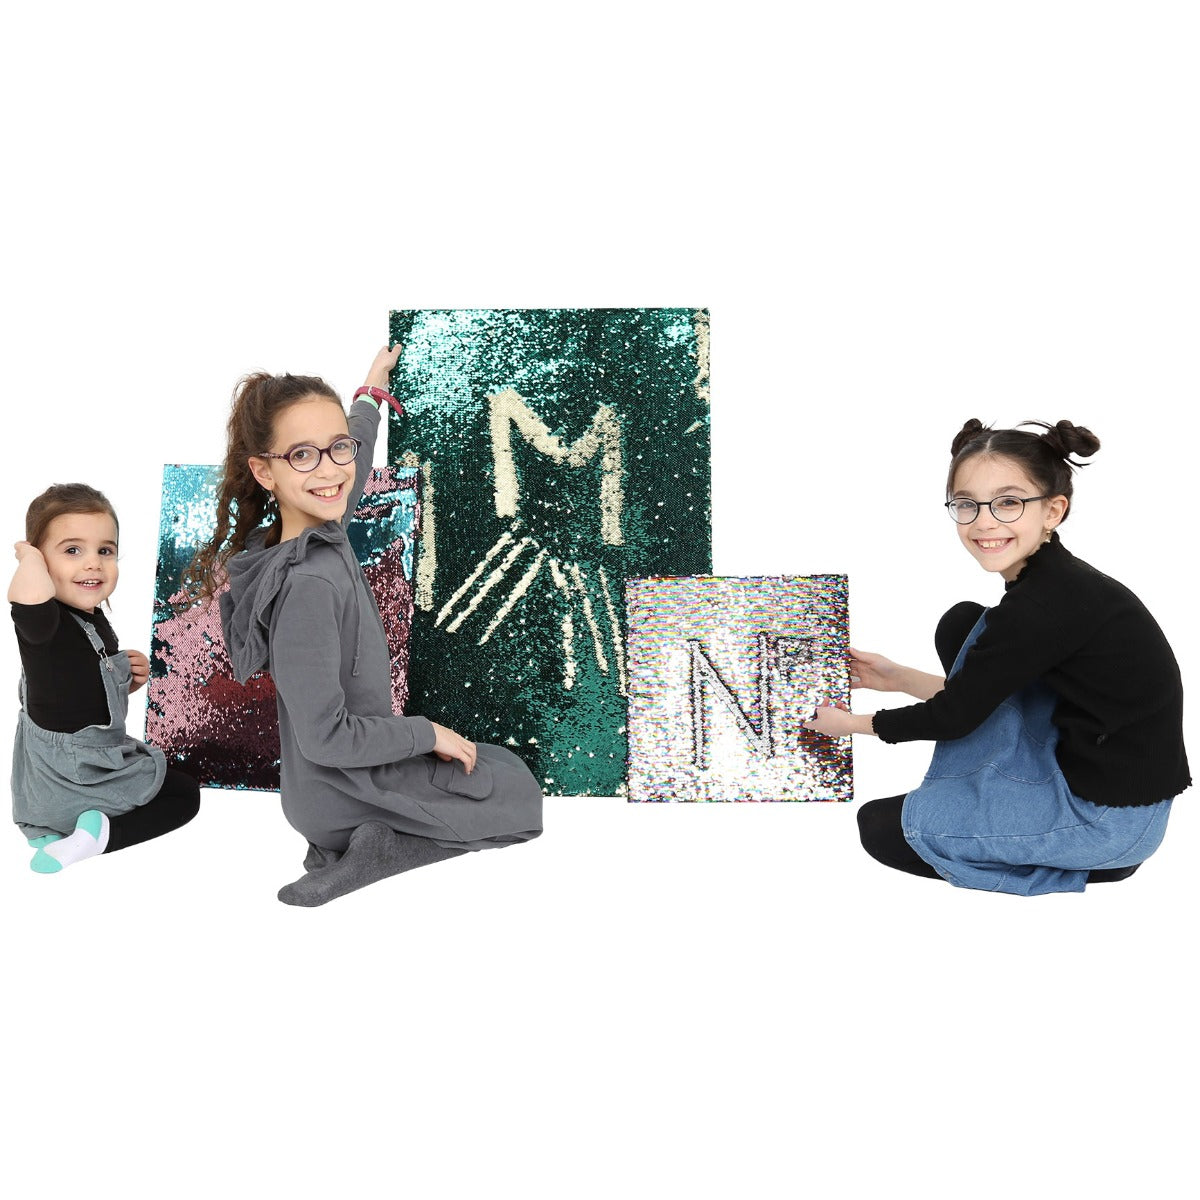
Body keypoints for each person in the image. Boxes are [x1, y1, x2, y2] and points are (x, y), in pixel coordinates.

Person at [185, 345, 543, 906]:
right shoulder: (307, 586)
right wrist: (427, 733)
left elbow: (342, 467)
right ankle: (375, 850)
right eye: (303, 454)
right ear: (264, 471)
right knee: (523, 804)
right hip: (341, 788)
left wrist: (368, 398)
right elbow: (326, 737)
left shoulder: (307, 535)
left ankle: (362, 837)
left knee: (500, 765)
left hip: (328, 783)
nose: (330, 470)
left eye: (338, 449)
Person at [804, 419, 1189, 896]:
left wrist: (854, 724)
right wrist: (897, 677)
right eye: (967, 504)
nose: (984, 521)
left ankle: (1091, 863)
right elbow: (978, 695)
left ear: (1053, 510)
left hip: (1108, 821)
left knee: (881, 828)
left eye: (1008, 502)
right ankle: (1043, 833)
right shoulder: (1053, 583)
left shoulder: (1044, 606)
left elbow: (956, 717)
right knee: (964, 624)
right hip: (1087, 762)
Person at [10, 484, 201, 872]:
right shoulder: (44, 626)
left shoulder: (88, 617)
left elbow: (78, 688)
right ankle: (98, 838)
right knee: (185, 795)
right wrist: (28, 557)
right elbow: (27, 601)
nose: (93, 563)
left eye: (105, 550)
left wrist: (125, 676)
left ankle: (56, 833)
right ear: (41, 565)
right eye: (72, 550)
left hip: (44, 792)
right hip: (78, 777)